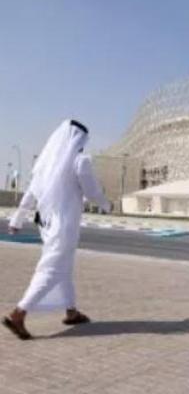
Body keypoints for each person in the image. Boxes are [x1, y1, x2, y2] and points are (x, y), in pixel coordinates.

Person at [3, 119, 110, 340]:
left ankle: (71, 311)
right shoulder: (81, 161)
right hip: (65, 227)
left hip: (49, 225)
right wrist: (106, 205)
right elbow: (92, 192)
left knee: (64, 267)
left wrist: (17, 220)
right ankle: (18, 314)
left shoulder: (47, 165)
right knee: (51, 270)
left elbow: (30, 195)